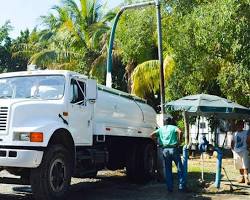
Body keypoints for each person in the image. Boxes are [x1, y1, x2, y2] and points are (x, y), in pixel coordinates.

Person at [150, 118, 185, 192]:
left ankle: (170, 188)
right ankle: (181, 186)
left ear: (164, 123)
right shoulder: (173, 127)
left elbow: (151, 135)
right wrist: (179, 141)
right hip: (174, 149)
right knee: (179, 168)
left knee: (168, 169)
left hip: (165, 150)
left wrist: (157, 143)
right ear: (171, 122)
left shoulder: (161, 129)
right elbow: (180, 132)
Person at [231, 120, 250, 185]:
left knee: (245, 164)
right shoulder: (234, 133)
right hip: (236, 151)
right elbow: (232, 142)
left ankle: (246, 177)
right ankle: (242, 177)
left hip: (244, 150)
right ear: (236, 126)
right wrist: (232, 150)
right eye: (238, 125)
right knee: (239, 165)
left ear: (243, 126)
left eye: (241, 125)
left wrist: (248, 147)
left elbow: (248, 140)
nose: (240, 126)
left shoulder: (246, 132)